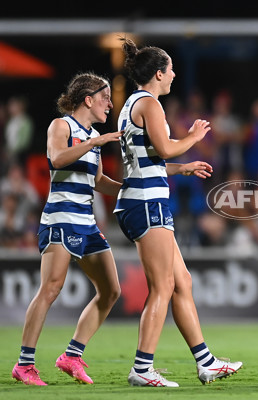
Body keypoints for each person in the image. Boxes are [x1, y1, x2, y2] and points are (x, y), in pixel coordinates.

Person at [115, 37, 242, 388]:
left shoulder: (131, 105)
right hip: (146, 203)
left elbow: (149, 162)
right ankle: (142, 369)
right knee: (163, 286)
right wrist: (194, 137)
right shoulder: (149, 104)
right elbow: (166, 148)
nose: (174, 75)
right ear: (158, 73)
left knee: (181, 282)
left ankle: (207, 362)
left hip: (140, 198)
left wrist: (181, 168)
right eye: (170, 69)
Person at [11, 73, 123, 386]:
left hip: (86, 223)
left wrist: (131, 189)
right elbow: (57, 159)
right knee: (50, 289)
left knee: (111, 290)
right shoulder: (62, 126)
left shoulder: (93, 136)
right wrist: (94, 142)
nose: (110, 104)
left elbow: (99, 181)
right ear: (88, 99)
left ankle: (72, 356)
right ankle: (24, 365)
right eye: (105, 97)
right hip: (60, 219)